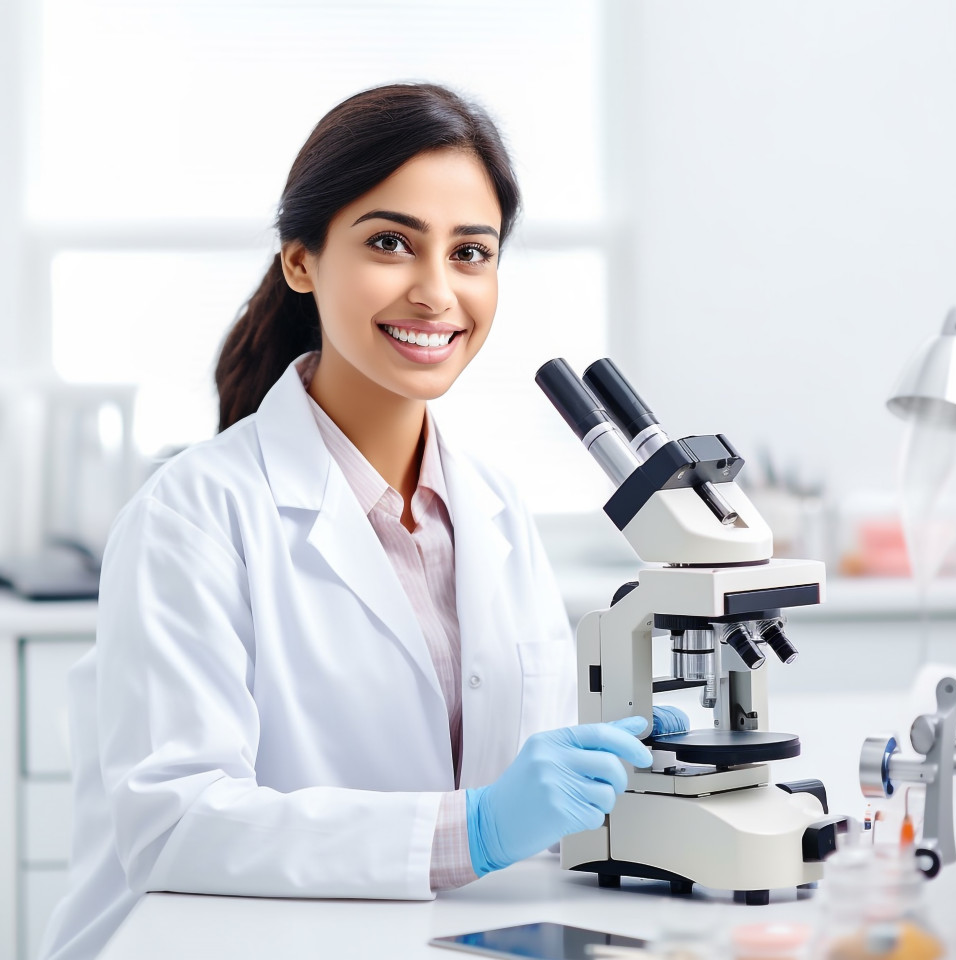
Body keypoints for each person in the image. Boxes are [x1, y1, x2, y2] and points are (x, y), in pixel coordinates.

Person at [39, 83, 687, 960]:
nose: (435, 292)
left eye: (470, 253)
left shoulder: (493, 508)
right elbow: (172, 824)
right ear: (301, 260)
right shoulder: (193, 513)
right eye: (391, 243)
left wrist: (622, 776)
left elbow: (523, 773)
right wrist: (475, 829)